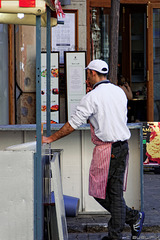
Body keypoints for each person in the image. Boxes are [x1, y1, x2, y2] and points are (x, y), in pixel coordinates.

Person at [42, 59, 145, 240]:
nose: (86, 78)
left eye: (87, 74)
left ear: (93, 73)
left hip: (109, 150)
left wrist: (50, 138)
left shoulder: (92, 97)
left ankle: (118, 233)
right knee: (112, 193)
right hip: (122, 147)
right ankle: (131, 219)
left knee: (103, 193)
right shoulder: (119, 92)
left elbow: (72, 124)